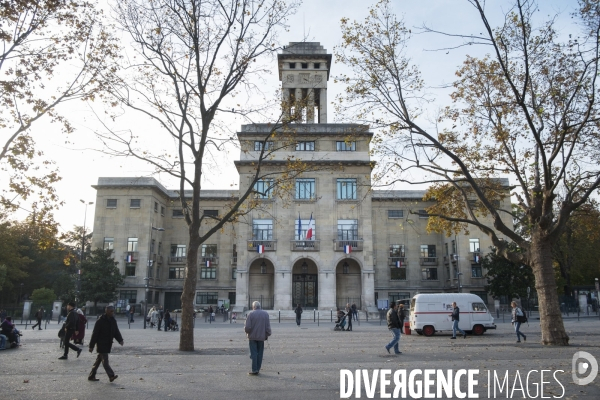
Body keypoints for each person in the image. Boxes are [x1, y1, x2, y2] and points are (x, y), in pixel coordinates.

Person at [88, 306, 124, 382]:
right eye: (111, 311)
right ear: (106, 311)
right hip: (101, 343)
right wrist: (91, 346)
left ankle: (91, 376)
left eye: (113, 311)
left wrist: (120, 340)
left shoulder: (113, 320)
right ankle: (111, 376)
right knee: (105, 360)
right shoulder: (100, 321)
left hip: (108, 343)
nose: (112, 313)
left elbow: (116, 331)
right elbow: (95, 334)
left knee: (98, 360)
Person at [244, 301, 271, 375]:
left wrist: (247, 332)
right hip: (261, 337)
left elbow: (247, 327)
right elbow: (267, 326)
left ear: (254, 307)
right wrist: (268, 334)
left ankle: (254, 369)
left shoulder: (251, 314)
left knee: (253, 353)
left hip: (252, 337)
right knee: (260, 353)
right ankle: (257, 368)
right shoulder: (265, 314)